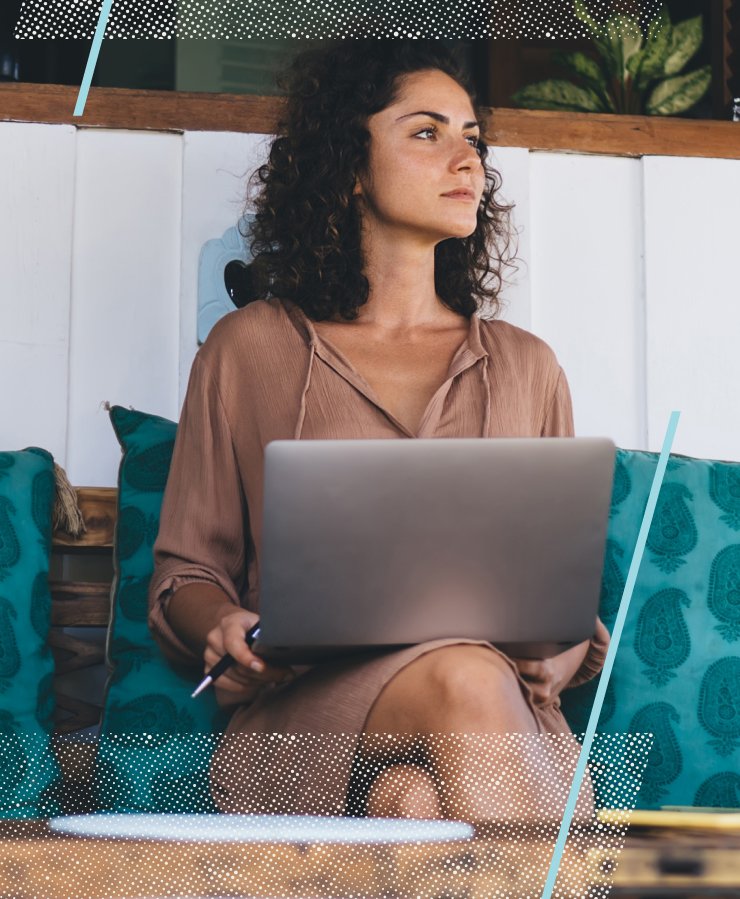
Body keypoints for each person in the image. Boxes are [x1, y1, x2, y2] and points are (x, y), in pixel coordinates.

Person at [148, 40, 610, 822]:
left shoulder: (529, 367)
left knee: (414, 803)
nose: (466, 158)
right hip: (307, 717)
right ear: (351, 165)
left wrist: (563, 651)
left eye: (473, 136)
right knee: (463, 675)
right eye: (427, 132)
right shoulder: (249, 349)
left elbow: (562, 601)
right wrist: (222, 623)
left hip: (498, 719)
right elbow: (186, 570)